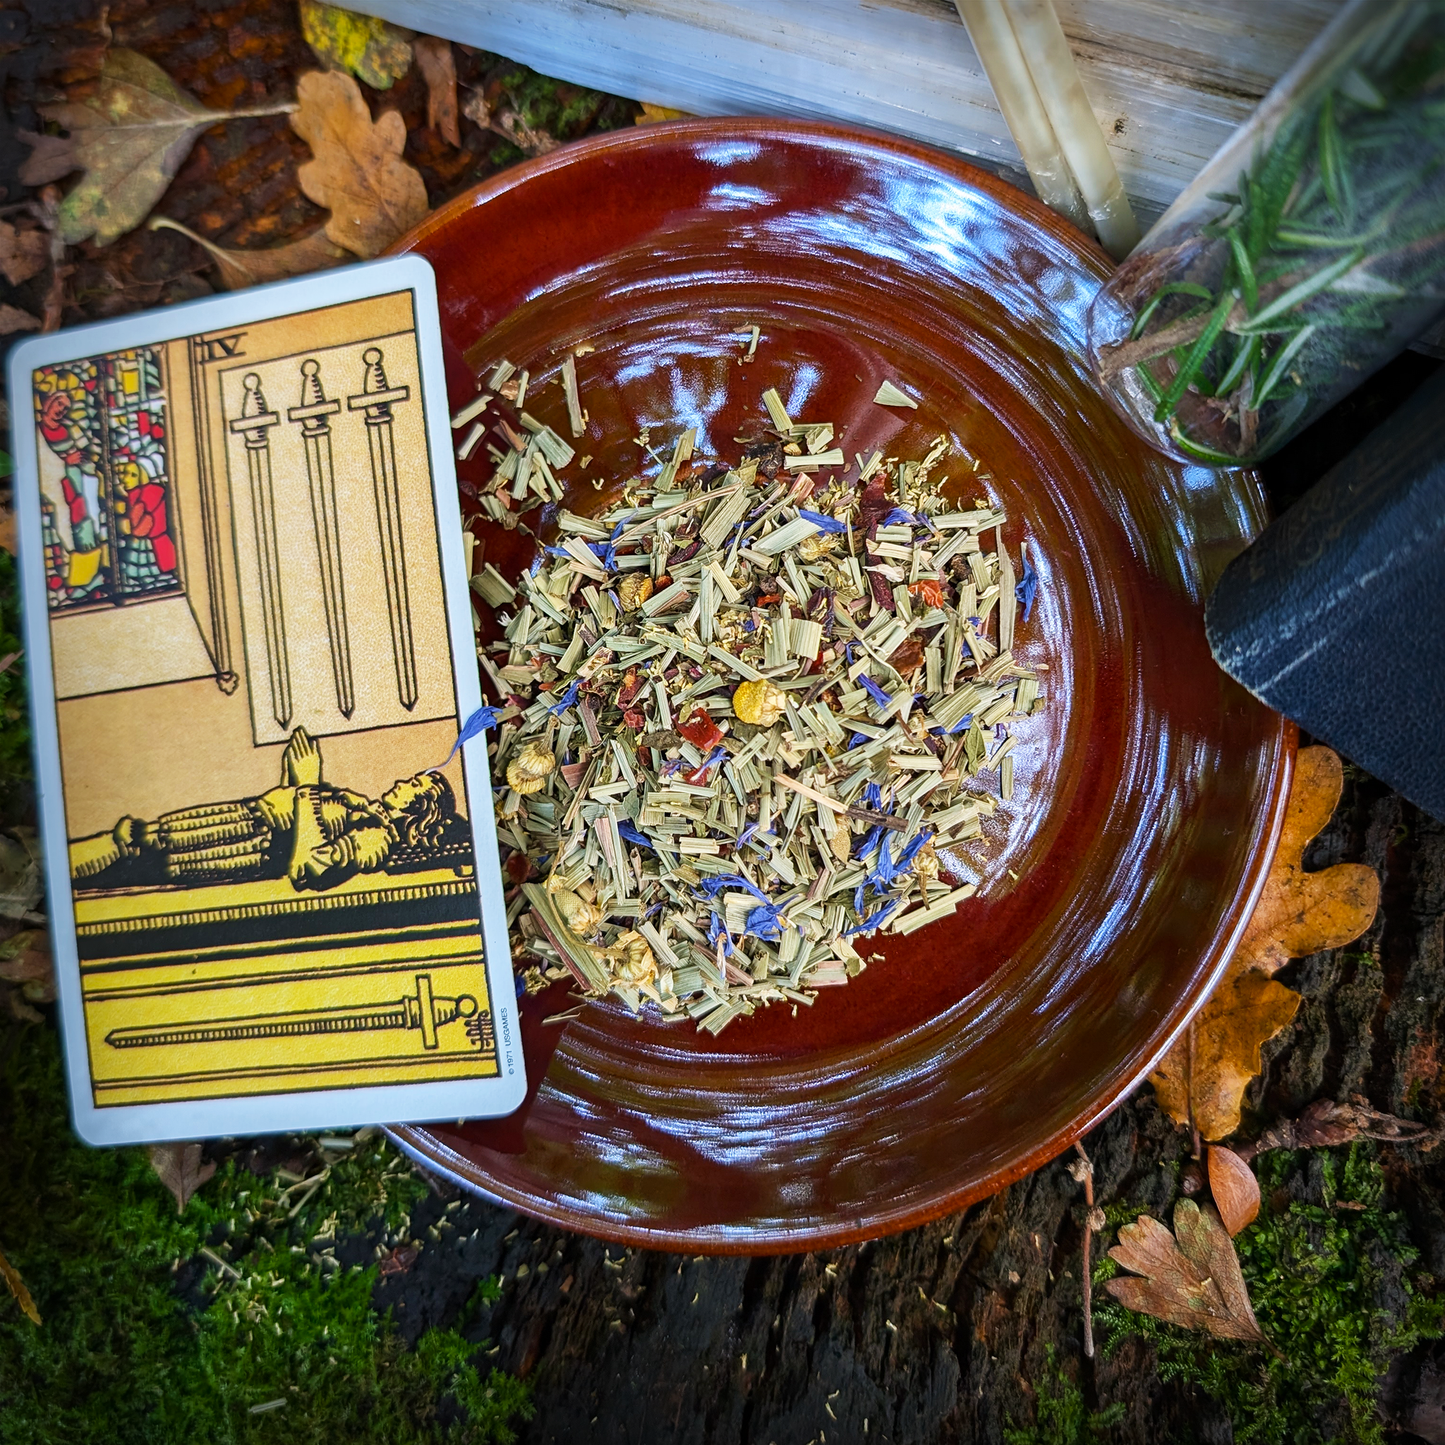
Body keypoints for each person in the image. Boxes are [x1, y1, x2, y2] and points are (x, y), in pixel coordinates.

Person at [69, 728, 458, 891]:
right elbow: (310, 815)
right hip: (235, 821)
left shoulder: (377, 839)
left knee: (135, 854)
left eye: (416, 786)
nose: (406, 782)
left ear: (420, 811)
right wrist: (297, 780)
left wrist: (306, 784)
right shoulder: (368, 809)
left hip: (237, 844)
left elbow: (309, 866)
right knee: (135, 840)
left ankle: (53, 879)